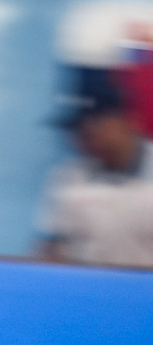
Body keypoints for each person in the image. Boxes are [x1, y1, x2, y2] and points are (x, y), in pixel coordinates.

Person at [35, 67, 153, 269]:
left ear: (123, 120)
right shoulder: (67, 177)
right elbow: (50, 251)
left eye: (90, 128)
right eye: (75, 131)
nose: (79, 140)